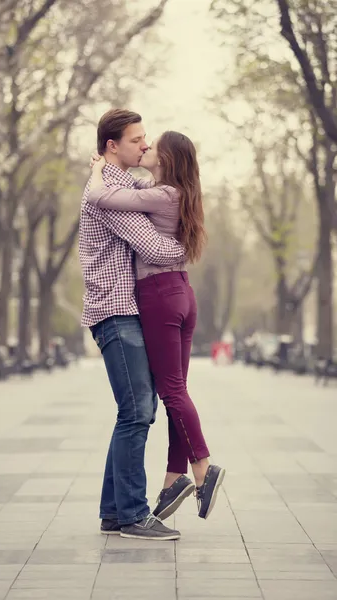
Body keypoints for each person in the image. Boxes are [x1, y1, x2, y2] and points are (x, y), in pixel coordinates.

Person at [87, 131, 225, 522]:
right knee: (177, 391)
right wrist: (111, 171)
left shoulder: (161, 194)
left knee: (171, 392)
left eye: (151, 145)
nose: (145, 148)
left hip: (159, 295)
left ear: (166, 158)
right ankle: (172, 478)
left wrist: (98, 170)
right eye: (139, 141)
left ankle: (203, 468)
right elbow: (131, 186)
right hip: (182, 292)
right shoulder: (172, 190)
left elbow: (102, 197)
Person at [79, 109, 185, 541]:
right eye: (137, 140)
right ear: (112, 146)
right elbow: (156, 249)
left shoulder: (118, 183)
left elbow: (156, 189)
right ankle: (133, 516)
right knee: (139, 410)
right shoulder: (109, 197)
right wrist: (184, 248)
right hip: (115, 310)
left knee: (135, 410)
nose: (145, 146)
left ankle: (113, 511)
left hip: (126, 310)